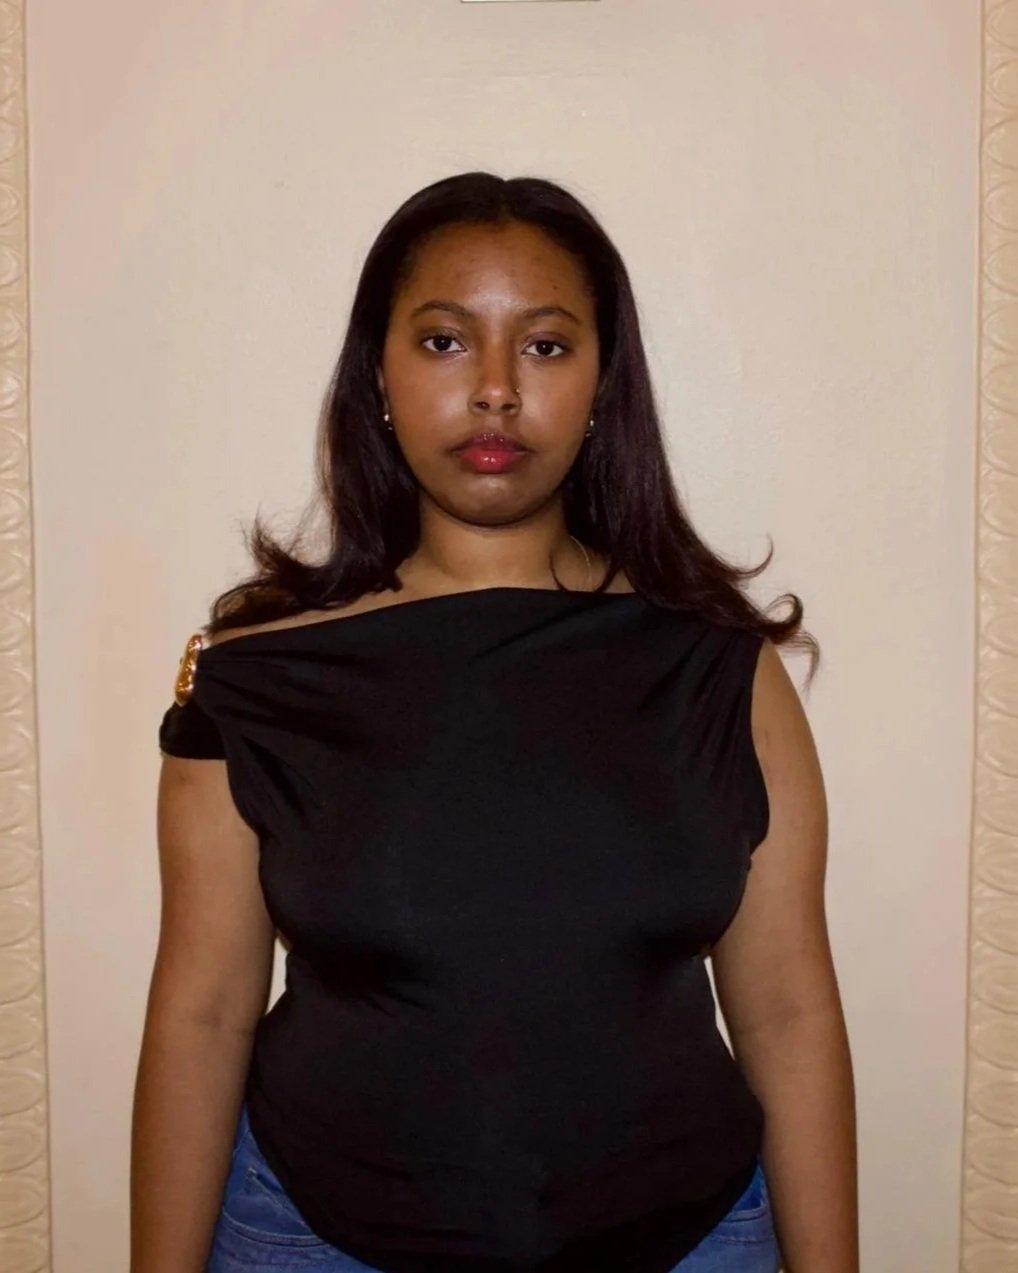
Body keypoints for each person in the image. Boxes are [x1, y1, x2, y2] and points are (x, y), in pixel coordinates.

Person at [130, 172, 858, 1273]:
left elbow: (790, 1015)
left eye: (547, 347)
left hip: (688, 1239)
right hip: (316, 1240)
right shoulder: (257, 679)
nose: (495, 392)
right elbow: (201, 1015)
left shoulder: (720, 671)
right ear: (376, 374)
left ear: (605, 384)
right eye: (442, 342)